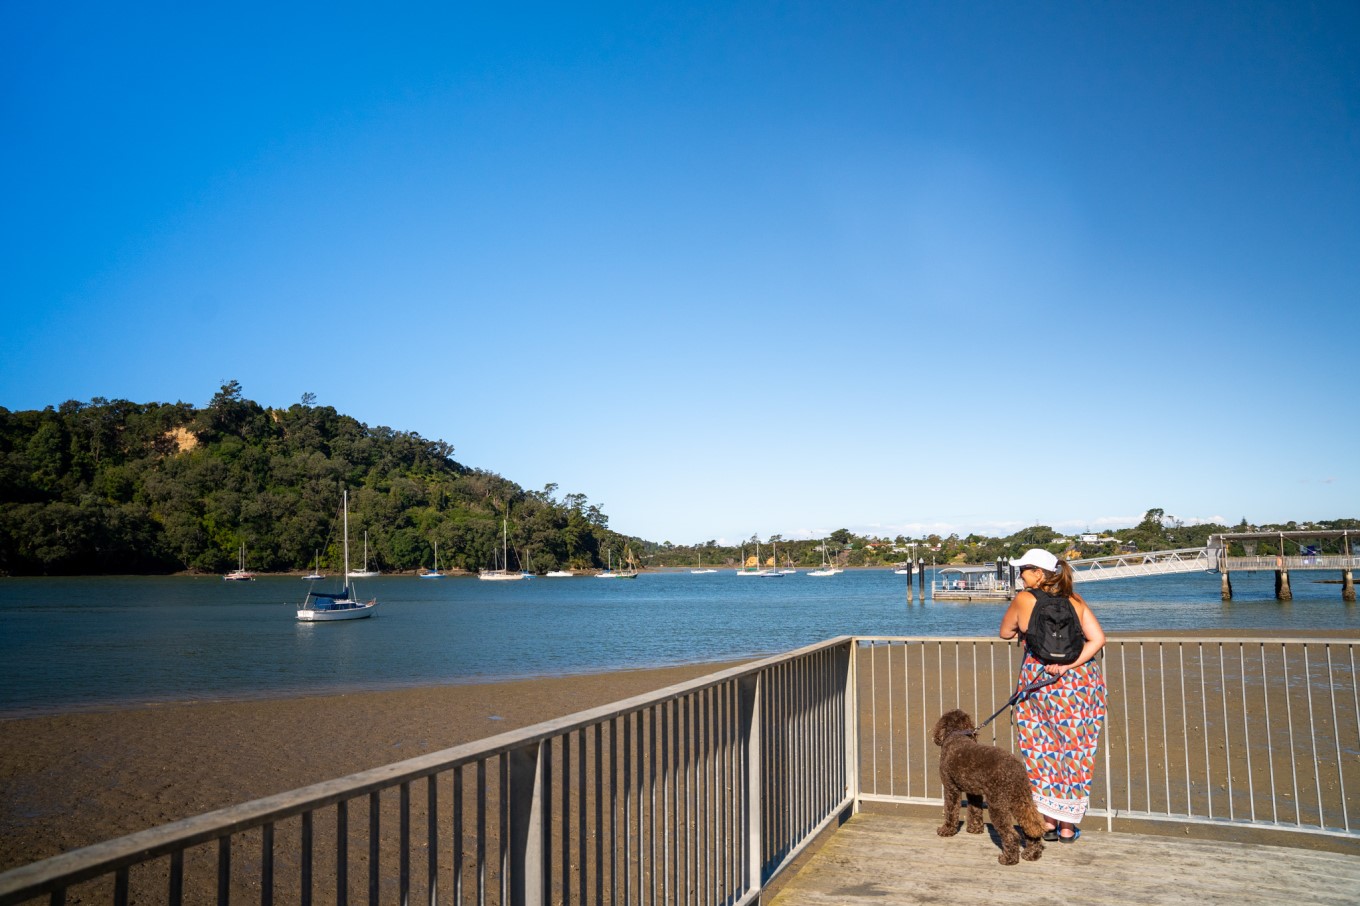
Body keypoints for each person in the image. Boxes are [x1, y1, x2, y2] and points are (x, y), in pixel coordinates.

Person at [998, 548, 1107, 843]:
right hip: (1080, 684)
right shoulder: (1075, 600)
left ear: (1038, 573)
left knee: (1041, 750)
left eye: (1023, 570)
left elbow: (1005, 632)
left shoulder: (1024, 599)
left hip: (1040, 682)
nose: (1019, 576)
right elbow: (1098, 639)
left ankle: (1047, 823)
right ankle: (1068, 827)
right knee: (1076, 751)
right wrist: (1068, 664)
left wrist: (1026, 634)